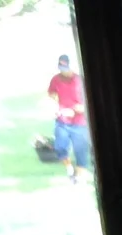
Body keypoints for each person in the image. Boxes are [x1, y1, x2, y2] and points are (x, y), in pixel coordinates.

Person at [47, 55, 91, 183]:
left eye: (65, 68)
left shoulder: (80, 81)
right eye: (61, 68)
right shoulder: (55, 79)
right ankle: (69, 169)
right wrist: (55, 104)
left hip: (79, 122)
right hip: (62, 121)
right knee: (60, 148)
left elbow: (89, 101)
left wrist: (80, 108)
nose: (63, 71)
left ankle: (77, 177)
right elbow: (51, 93)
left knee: (81, 153)